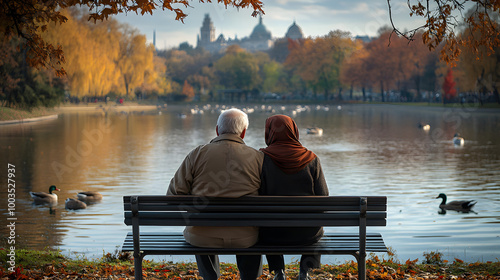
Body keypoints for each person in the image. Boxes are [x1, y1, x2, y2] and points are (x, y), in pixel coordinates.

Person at [167, 108, 264, 280]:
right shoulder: (257, 157)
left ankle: (210, 277)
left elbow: (173, 195)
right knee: (251, 232)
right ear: (243, 132)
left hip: (203, 235)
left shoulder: (197, 154)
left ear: (217, 130)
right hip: (245, 236)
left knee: (200, 232)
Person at [259, 115, 329, 280]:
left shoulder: (261, 159)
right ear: (294, 131)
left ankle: (278, 271)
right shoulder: (312, 159)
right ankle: (304, 272)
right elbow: (324, 198)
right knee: (315, 224)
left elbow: (256, 194)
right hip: (307, 234)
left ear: (269, 132)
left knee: (266, 224)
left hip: (272, 234)